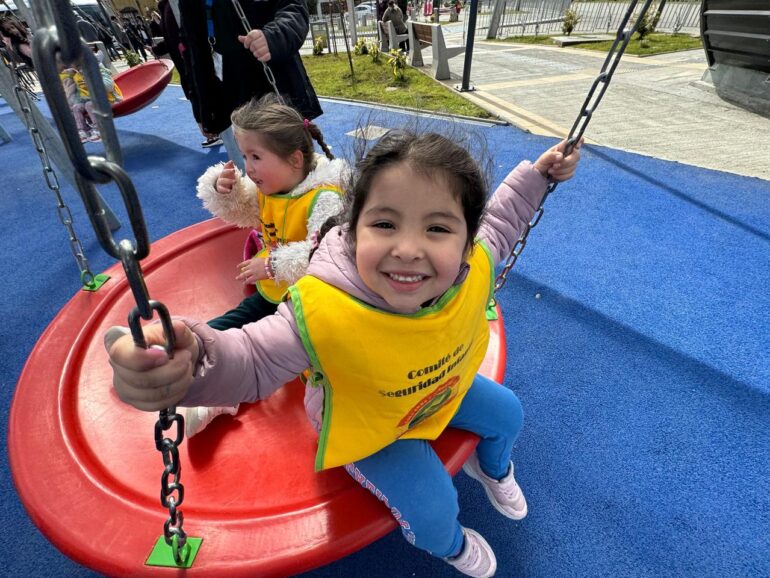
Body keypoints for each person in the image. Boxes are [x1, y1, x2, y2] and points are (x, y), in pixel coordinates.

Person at [104, 129, 582, 577]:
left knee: (507, 414)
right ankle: (450, 545)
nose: (409, 249)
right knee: (434, 508)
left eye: (437, 228)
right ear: (354, 229)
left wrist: (537, 177)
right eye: (385, 223)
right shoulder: (324, 306)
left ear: (465, 241)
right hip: (368, 423)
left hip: (440, 387)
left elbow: (502, 219)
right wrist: (190, 363)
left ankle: (492, 468)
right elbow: (251, 358)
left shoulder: (475, 262)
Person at [187, 94, 349, 435]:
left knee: (274, 350)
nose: (249, 167)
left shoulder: (324, 197)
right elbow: (246, 211)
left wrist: (272, 265)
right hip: (274, 293)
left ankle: (224, 394)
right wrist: (224, 191)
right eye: (245, 156)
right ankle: (190, 356)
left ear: (294, 160)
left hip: (310, 303)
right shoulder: (273, 185)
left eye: (256, 157)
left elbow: (329, 255)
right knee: (217, 330)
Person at [177, 0, 322, 145]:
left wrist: (274, 36)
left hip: (278, 93)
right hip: (230, 104)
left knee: (291, 160)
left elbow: (293, 8)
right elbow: (193, 48)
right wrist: (203, 111)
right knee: (247, 164)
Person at [59, 57, 122, 143]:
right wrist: (77, 102)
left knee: (89, 104)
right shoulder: (78, 76)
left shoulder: (99, 71)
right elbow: (80, 93)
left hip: (109, 99)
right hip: (92, 100)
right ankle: (83, 130)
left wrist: (91, 82)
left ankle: (100, 129)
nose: (78, 68)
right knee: (76, 107)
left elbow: (108, 86)